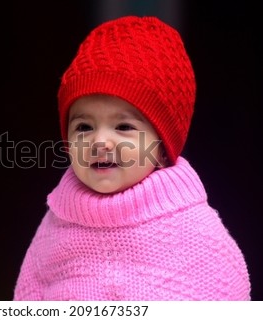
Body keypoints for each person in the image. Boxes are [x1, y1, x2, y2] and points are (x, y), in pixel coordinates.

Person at [13, 16, 251, 300]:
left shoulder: (196, 233)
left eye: (124, 127)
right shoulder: (57, 221)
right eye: (83, 127)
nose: (100, 141)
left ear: (162, 149)